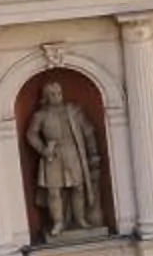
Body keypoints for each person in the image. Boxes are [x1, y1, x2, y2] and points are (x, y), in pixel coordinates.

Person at [28, 79, 103, 235]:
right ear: (46, 96)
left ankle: (80, 219)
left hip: (73, 151)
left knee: (78, 187)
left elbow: (88, 131)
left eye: (59, 93)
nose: (57, 96)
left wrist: (93, 153)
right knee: (54, 191)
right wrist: (43, 149)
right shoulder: (40, 115)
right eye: (53, 94)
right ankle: (58, 222)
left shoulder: (73, 111)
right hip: (52, 154)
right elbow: (31, 134)